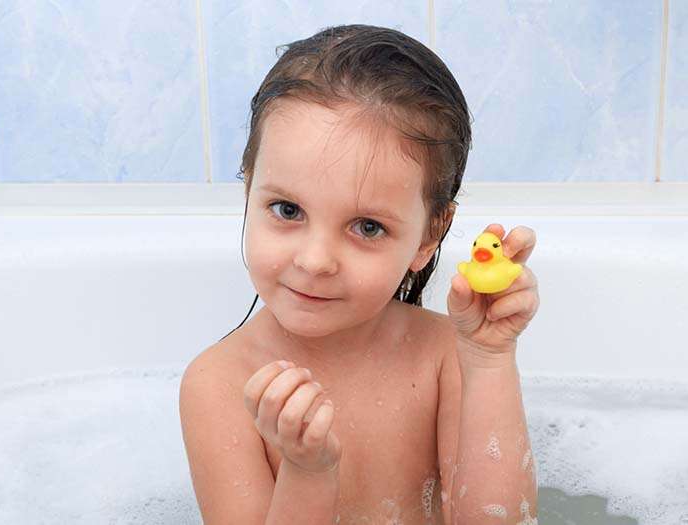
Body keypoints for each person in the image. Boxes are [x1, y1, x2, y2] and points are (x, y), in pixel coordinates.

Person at [179, 24, 540, 525]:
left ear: (428, 238)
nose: (315, 260)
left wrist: (489, 359)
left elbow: (499, 521)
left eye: (367, 226)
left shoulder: (446, 356)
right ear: (248, 192)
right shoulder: (220, 384)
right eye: (287, 209)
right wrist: (307, 473)